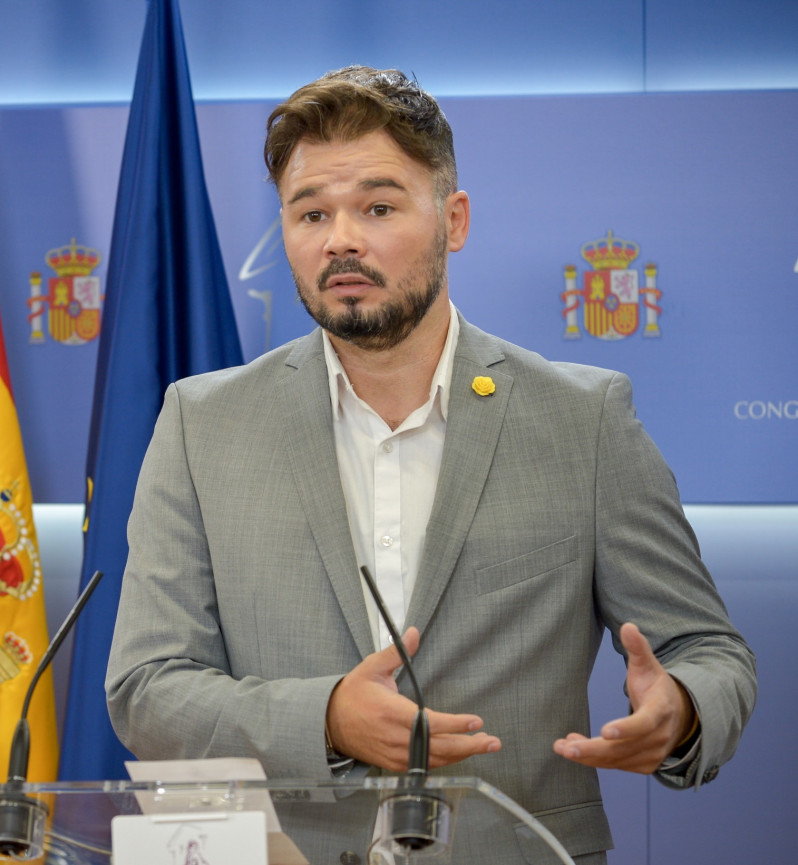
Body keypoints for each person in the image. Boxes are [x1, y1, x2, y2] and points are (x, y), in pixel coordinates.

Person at [105, 66, 755, 864]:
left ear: (454, 220)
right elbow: (147, 687)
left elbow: (708, 651)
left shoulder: (583, 421)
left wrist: (682, 707)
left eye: (378, 206)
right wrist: (327, 718)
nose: (341, 236)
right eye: (311, 213)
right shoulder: (202, 424)